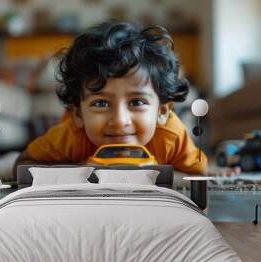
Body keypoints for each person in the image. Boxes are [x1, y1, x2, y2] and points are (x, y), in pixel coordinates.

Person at [13, 21, 215, 177]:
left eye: (137, 102)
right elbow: (21, 166)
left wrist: (214, 172)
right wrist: (79, 170)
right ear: (78, 114)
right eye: (101, 103)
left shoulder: (171, 137)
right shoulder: (71, 137)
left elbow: (199, 172)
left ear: (162, 112)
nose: (119, 121)